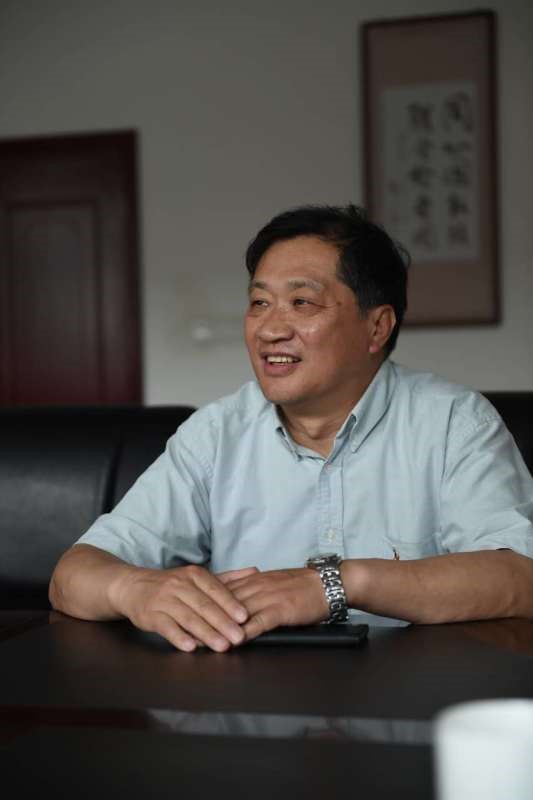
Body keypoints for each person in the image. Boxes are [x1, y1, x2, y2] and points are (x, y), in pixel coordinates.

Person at [49, 204, 533, 652]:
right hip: (249, 700)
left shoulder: (453, 423)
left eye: (302, 302)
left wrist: (338, 583)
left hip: (411, 698)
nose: (269, 329)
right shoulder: (216, 434)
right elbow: (73, 577)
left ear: (377, 327)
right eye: (259, 303)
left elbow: (520, 578)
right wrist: (135, 588)